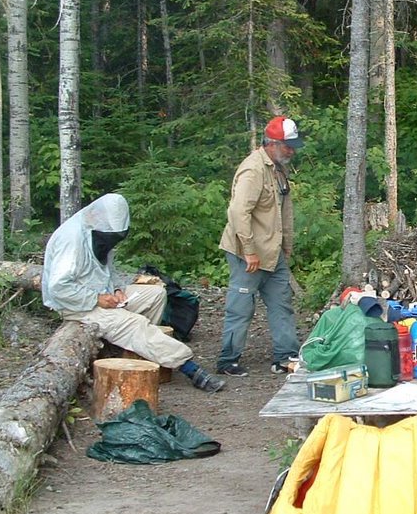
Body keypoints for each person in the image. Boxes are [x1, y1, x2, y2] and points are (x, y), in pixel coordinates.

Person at [41, 193, 225, 393]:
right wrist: (96, 298)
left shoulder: (99, 232)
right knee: (135, 324)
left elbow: (108, 269)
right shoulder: (72, 239)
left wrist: (117, 290)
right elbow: (58, 287)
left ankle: (136, 355)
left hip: (100, 297)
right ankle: (190, 368)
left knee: (155, 294)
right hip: (75, 306)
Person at [216, 115, 303, 376]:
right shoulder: (253, 170)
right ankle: (227, 360)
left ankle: (286, 356)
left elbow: (283, 211)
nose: (292, 150)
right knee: (240, 307)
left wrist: (286, 245)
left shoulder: (278, 169)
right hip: (248, 253)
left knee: (282, 303)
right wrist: (249, 251)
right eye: (288, 145)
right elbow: (238, 212)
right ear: (273, 143)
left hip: (273, 252)